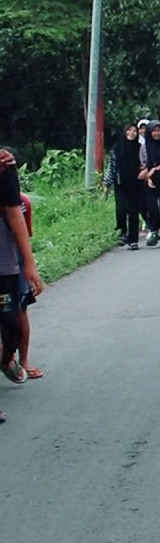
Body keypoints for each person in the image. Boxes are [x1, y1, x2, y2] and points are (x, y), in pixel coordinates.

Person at [1, 147, 46, 401]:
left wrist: (29, 264)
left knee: (12, 320)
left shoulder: (4, 164)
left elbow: (15, 213)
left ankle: (8, 358)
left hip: (5, 263)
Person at [105, 122, 144, 250]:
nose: (131, 133)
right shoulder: (117, 148)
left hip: (136, 184)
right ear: (125, 132)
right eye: (129, 130)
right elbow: (112, 167)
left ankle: (133, 239)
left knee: (133, 211)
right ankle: (122, 231)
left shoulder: (140, 148)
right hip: (120, 183)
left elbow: (145, 163)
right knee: (121, 209)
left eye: (134, 131)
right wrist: (107, 183)